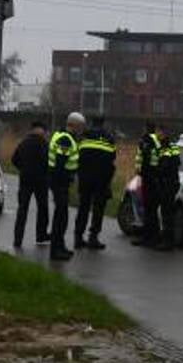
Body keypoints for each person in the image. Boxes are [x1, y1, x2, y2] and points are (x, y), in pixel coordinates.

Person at [46, 111, 85, 261]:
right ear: (74, 125)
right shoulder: (65, 140)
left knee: (62, 216)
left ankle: (60, 247)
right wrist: (68, 178)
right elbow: (61, 164)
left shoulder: (60, 135)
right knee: (60, 217)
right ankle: (55, 251)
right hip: (60, 182)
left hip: (58, 182)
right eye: (80, 126)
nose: (81, 129)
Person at [74, 115, 116, 251]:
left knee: (83, 208)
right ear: (103, 124)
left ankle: (78, 238)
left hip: (85, 177)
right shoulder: (109, 138)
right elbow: (112, 158)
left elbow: (76, 155)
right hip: (102, 179)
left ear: (92, 123)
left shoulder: (83, 136)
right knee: (98, 209)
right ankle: (93, 237)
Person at [9, 121, 50, 250]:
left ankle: (18, 239)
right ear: (42, 130)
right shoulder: (44, 144)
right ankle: (41, 236)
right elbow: (48, 161)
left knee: (22, 210)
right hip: (41, 180)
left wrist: (23, 168)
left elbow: (14, 159)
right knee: (43, 208)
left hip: (25, 179)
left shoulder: (23, 143)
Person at [133, 121, 167, 248]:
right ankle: (150, 237)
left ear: (146, 129)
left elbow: (145, 158)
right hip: (155, 178)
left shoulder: (147, 140)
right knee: (151, 209)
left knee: (149, 210)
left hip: (149, 178)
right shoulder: (158, 141)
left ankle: (150, 238)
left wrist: (142, 173)